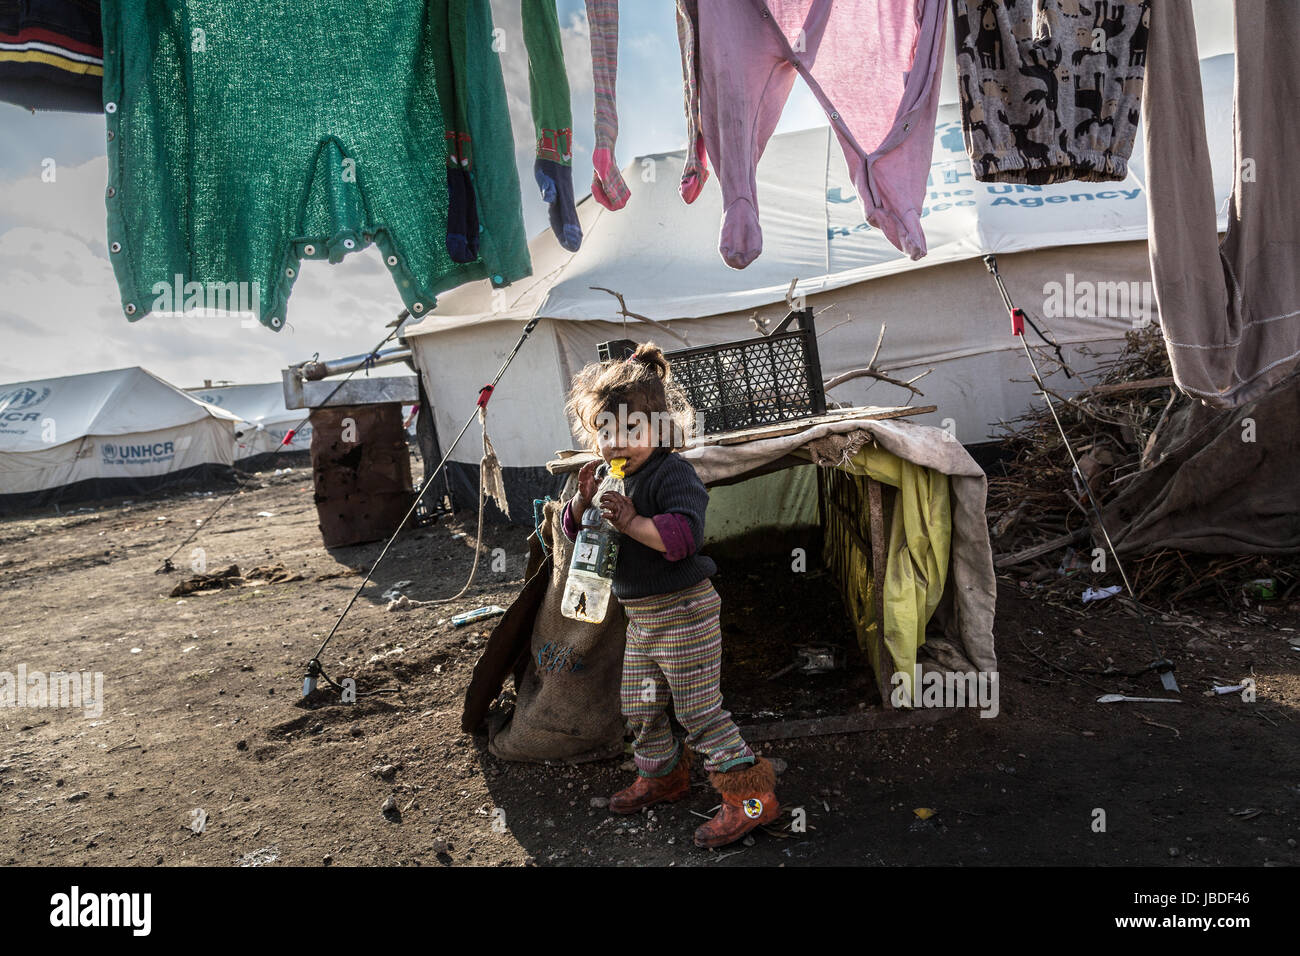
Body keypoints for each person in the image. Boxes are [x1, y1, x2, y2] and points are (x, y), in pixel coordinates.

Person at [560, 341, 780, 848]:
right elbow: (580, 535)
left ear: (660, 428)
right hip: (641, 618)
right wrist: (582, 502)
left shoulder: (671, 474)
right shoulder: (608, 480)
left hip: (684, 612)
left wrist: (633, 520)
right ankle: (663, 776)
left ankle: (753, 801)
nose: (618, 444)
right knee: (640, 707)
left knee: (700, 714)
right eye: (605, 432)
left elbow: (683, 539)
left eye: (632, 431)